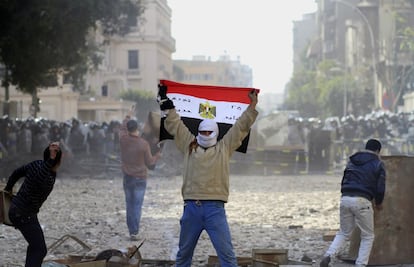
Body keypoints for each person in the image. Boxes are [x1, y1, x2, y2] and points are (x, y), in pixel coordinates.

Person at [158, 85, 259, 267]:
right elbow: (176, 125)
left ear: (216, 133)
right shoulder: (189, 145)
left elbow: (241, 127)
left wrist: (252, 107)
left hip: (215, 209)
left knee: (227, 256)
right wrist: (167, 105)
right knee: (183, 256)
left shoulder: (224, 147)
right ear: (198, 132)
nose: (205, 134)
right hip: (191, 208)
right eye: (202, 132)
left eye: (209, 132)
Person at [320, 138, 386, 267]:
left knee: (344, 232)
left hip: (345, 198)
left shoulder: (352, 160)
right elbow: (381, 187)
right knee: (367, 236)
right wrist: (379, 202)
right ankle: (360, 264)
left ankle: (328, 255)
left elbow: (344, 179)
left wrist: (345, 194)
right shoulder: (378, 163)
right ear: (378, 151)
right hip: (362, 200)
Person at [3, 142, 62, 267]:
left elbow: (17, 172)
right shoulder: (47, 175)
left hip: (19, 209)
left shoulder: (36, 164)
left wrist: (9, 188)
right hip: (25, 214)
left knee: (36, 247)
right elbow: (41, 176)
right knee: (40, 249)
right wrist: (51, 159)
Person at [119, 106, 161, 241]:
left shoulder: (123, 139)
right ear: (138, 128)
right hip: (140, 178)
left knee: (129, 204)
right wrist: (158, 156)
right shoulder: (144, 144)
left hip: (127, 177)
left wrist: (128, 115)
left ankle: (131, 229)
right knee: (137, 205)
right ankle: (134, 231)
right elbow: (149, 162)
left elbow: (122, 128)